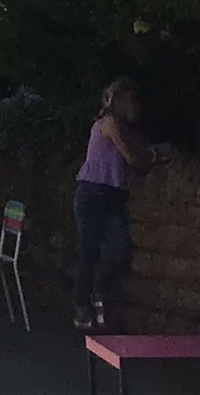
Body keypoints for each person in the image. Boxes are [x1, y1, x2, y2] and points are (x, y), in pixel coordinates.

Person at [73, 77, 169, 330]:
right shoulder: (109, 123)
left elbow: (142, 153)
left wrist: (153, 153)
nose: (138, 107)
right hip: (92, 193)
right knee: (90, 250)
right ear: (122, 100)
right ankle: (82, 307)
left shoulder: (128, 130)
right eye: (133, 100)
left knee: (118, 251)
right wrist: (156, 154)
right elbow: (133, 158)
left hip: (114, 196)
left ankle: (100, 294)